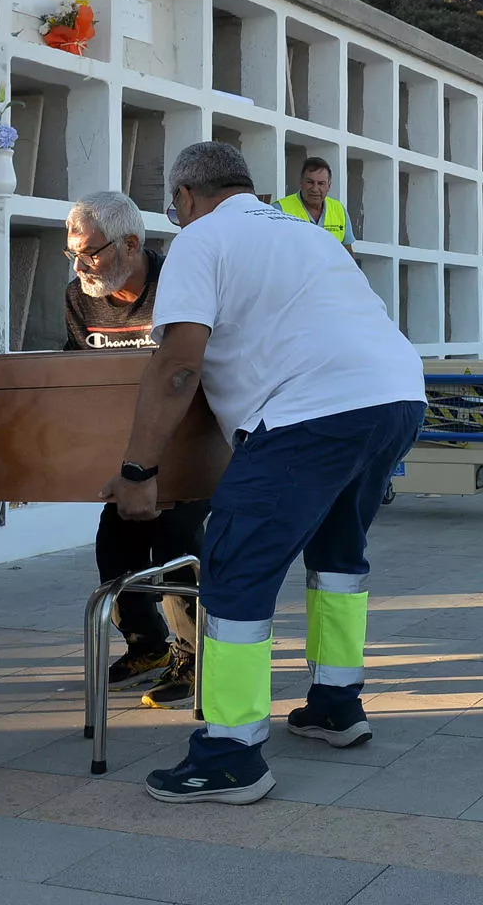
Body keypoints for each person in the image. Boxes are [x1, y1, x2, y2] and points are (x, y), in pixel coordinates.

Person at [101, 141, 424, 804]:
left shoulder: (202, 239)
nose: (177, 216)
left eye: (173, 206)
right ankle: (336, 702)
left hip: (309, 413)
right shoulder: (306, 233)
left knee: (234, 566)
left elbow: (180, 362)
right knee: (337, 556)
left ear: (187, 196)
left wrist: (138, 467)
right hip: (395, 397)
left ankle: (229, 751)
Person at [63, 191, 205, 710]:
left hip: (192, 448)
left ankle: (194, 659)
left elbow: (194, 371)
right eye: (72, 253)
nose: (82, 265)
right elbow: (81, 378)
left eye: (92, 252)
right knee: (115, 549)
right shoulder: (80, 297)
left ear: (131, 243)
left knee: (175, 549)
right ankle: (146, 647)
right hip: (126, 452)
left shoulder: (180, 285)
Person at [276, 157, 355, 257]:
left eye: (321, 183)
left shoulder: (339, 209)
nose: (315, 189)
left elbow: (347, 253)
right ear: (301, 182)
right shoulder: (279, 209)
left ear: (329, 186)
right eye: (310, 182)